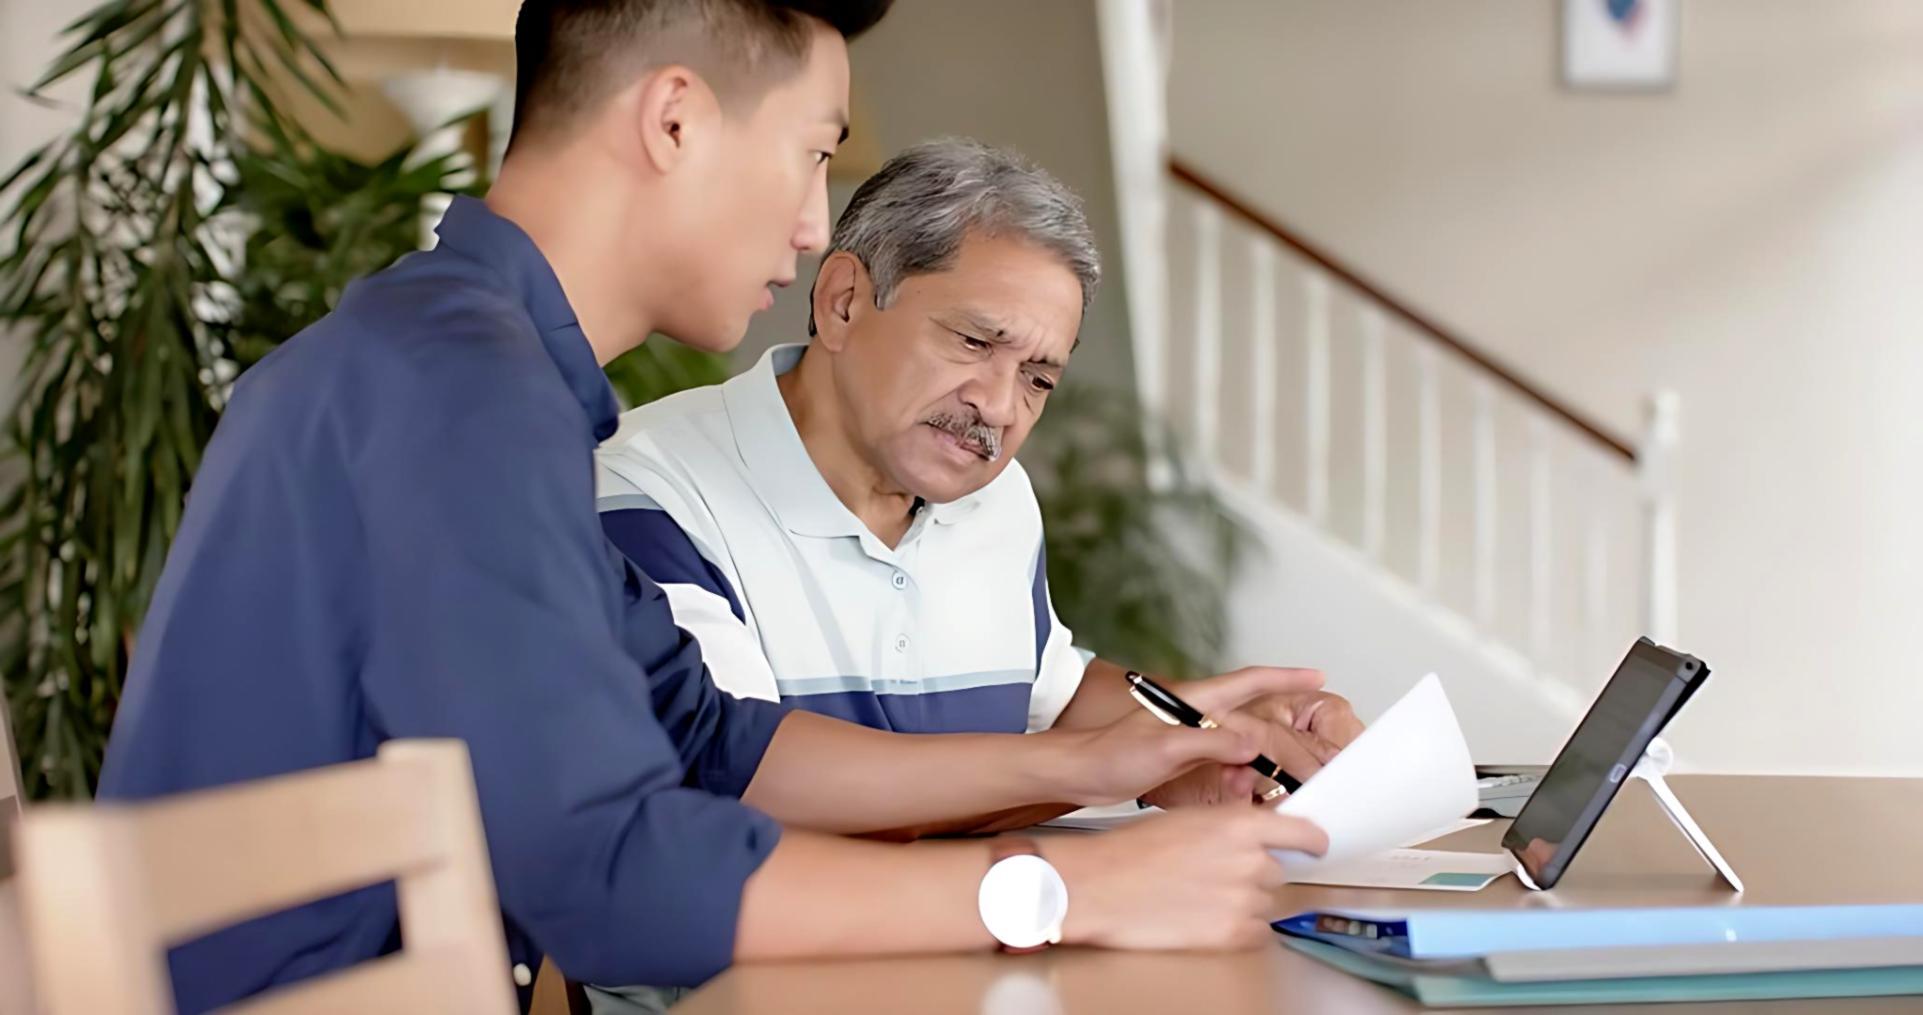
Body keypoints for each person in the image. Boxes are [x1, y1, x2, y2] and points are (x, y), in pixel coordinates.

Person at [96, 2, 1329, 1012]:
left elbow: (709, 738)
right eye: (812, 152)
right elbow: (613, 866)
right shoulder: (458, 392)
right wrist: (1065, 888)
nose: (810, 225)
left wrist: (1111, 757)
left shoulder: (463, 361)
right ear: (676, 119)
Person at [595, 139, 1364, 829]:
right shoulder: (649, 488)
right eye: (972, 342)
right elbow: (747, 784)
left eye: (1036, 378)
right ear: (843, 302)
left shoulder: (996, 499)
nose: (997, 406)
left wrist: (1218, 743)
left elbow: (1056, 697)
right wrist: (1095, 773)